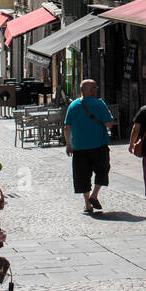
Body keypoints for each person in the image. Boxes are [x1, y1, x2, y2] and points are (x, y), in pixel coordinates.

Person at [63, 79, 115, 214]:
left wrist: (68, 144)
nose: (96, 89)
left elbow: (66, 127)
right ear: (91, 90)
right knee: (102, 171)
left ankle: (87, 204)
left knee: (82, 175)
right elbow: (109, 124)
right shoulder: (99, 104)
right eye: (95, 87)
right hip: (99, 145)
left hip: (79, 147)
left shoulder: (73, 105)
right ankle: (94, 195)